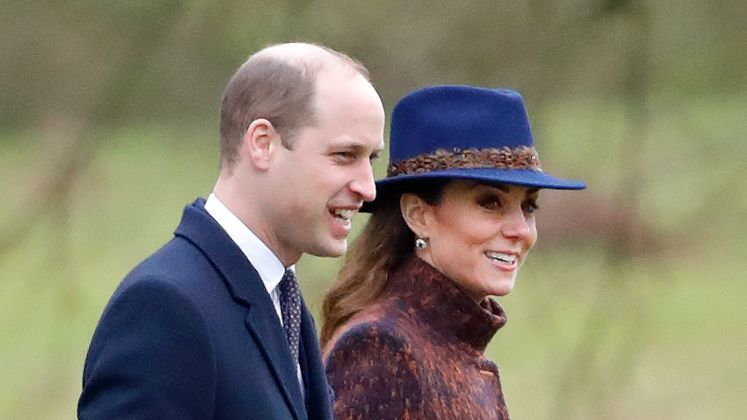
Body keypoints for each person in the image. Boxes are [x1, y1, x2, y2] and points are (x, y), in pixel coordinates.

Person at [78, 42, 385, 419]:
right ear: (263, 144)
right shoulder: (165, 305)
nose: (368, 189)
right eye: (344, 156)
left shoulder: (283, 301)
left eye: (371, 159)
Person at [321, 85, 586, 419]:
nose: (521, 230)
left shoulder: (449, 344)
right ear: (419, 215)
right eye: (490, 202)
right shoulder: (382, 348)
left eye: (529, 206)